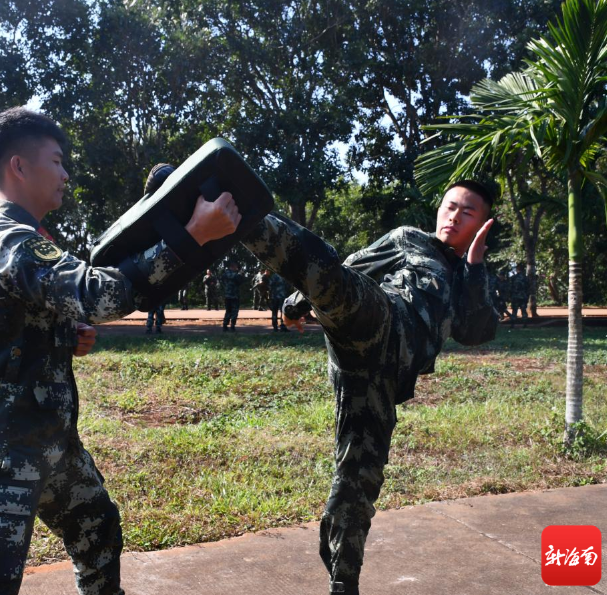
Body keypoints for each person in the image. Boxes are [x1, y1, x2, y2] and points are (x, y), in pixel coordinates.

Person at [0, 107, 240, 595]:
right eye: (58, 161)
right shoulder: (7, 239)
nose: (65, 174)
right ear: (19, 166)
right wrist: (192, 237)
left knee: (99, 533)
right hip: (5, 449)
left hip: (52, 442)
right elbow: (98, 293)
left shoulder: (32, 239)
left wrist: (69, 335)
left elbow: (41, 317)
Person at [240, 180, 498, 595]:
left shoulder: (467, 278)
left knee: (358, 480)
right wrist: (295, 304)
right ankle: (234, 211)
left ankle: (344, 582)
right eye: (450, 206)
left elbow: (477, 331)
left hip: (379, 379)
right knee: (333, 280)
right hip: (379, 319)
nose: (454, 216)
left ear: (484, 223)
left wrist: (475, 264)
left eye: (468, 212)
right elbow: (351, 266)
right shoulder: (409, 239)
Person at [221, 260, 245, 332]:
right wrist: (240, 274)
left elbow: (240, 281)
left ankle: (228, 325)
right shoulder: (232, 274)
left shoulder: (227, 274)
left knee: (231, 311)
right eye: (236, 267)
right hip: (232, 295)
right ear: (232, 266)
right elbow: (237, 279)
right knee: (232, 311)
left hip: (231, 295)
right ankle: (229, 326)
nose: (237, 268)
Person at [510, 262, 530, 327]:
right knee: (523, 310)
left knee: (514, 310)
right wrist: (527, 296)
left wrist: (510, 296)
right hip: (523, 296)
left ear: (517, 269)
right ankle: (525, 324)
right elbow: (528, 288)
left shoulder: (513, 278)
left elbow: (510, 287)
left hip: (515, 297)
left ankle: (513, 324)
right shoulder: (526, 278)